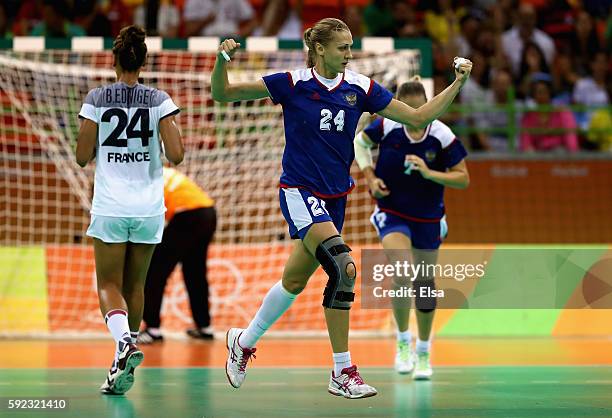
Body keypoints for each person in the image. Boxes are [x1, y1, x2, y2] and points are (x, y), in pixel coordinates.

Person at [211, 17, 471, 398]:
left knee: (294, 282)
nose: (349, 53)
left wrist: (458, 83)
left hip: (336, 197)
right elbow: (224, 94)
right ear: (319, 49)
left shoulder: (361, 87)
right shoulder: (292, 83)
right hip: (299, 190)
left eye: (351, 46)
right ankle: (342, 371)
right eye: (342, 47)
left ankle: (243, 340)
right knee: (345, 268)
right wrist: (222, 60)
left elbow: (418, 117)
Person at [75, 25, 184, 395]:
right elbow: (178, 155)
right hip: (149, 206)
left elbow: (80, 156)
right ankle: (125, 359)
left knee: (107, 284)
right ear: (145, 60)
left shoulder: (96, 98)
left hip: (110, 204)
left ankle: (124, 344)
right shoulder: (159, 99)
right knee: (136, 284)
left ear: (113, 59)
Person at [354, 76, 469, 380]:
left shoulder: (442, 135)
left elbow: (463, 178)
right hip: (392, 212)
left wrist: (430, 172)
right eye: (411, 113)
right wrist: (369, 177)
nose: (417, 120)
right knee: (403, 271)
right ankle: (403, 341)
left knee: (425, 284)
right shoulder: (387, 126)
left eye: (423, 112)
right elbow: (359, 143)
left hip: (429, 217)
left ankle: (424, 349)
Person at [138, 167, 217, 344]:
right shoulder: (162, 170)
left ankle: (152, 329)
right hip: (208, 212)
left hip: (187, 216)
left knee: (154, 271)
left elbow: (149, 216)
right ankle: (205, 327)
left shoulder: (141, 177)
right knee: (195, 273)